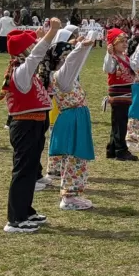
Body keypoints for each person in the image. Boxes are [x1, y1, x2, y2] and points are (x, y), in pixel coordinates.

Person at [0, 21, 59, 233]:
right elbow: (36, 55)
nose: (35, 48)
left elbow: (35, 55)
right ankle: (15, 219)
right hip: (25, 126)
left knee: (30, 169)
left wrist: (40, 35)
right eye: (30, 46)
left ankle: (26, 210)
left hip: (32, 125)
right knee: (23, 171)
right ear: (23, 51)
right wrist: (51, 33)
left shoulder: (24, 70)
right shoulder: (22, 70)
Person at [47, 34, 99, 210]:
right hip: (72, 118)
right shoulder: (61, 76)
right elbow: (73, 62)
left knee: (78, 157)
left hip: (76, 117)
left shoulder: (68, 76)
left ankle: (74, 194)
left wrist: (85, 48)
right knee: (73, 158)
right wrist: (81, 48)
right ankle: (68, 197)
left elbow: (76, 63)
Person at [104, 27, 139, 161]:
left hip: (125, 93)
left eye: (125, 41)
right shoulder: (113, 58)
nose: (124, 44)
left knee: (118, 122)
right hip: (118, 94)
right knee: (120, 123)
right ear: (112, 44)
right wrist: (108, 54)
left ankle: (112, 148)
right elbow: (107, 68)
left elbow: (134, 65)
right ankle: (121, 150)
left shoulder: (125, 58)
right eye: (121, 41)